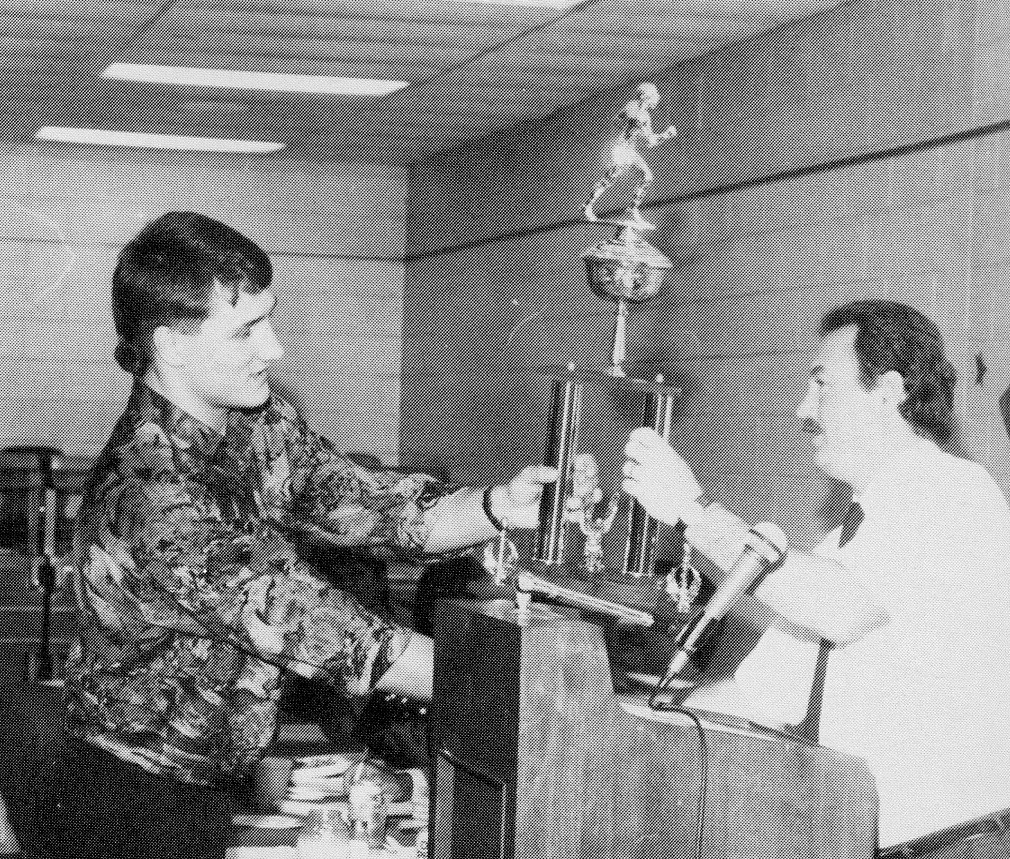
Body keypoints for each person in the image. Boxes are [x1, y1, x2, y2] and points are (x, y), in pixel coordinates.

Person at [27, 212, 555, 859]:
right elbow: (330, 633)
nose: (273, 349)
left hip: (202, 783)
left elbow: (363, 503)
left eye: (267, 320)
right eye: (246, 330)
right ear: (172, 345)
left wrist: (498, 505)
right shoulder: (152, 498)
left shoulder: (253, 423)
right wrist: (529, 685)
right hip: (126, 803)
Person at [622, 300, 1010, 857]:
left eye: (822, 384)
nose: (804, 410)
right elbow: (761, 694)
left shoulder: (952, 492)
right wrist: (633, 724)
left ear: (888, 391)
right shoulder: (846, 539)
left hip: (952, 845)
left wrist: (692, 510)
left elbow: (845, 611)